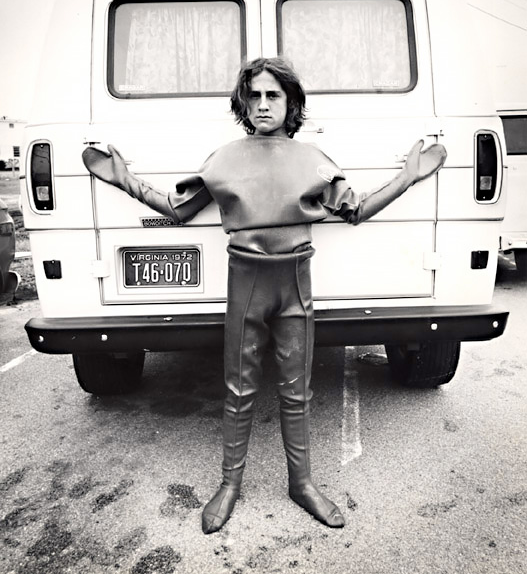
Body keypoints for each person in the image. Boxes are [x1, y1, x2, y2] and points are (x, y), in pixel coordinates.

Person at [82, 57, 447, 534]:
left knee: (297, 392)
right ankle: (230, 484)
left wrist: (408, 176)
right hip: (246, 286)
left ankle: (303, 483)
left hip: (296, 286)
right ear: (242, 102)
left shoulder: (312, 159)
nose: (262, 104)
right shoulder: (225, 158)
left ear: (291, 102)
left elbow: (355, 211)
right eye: (253, 95)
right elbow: (178, 209)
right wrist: (122, 178)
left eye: (273, 95)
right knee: (238, 390)